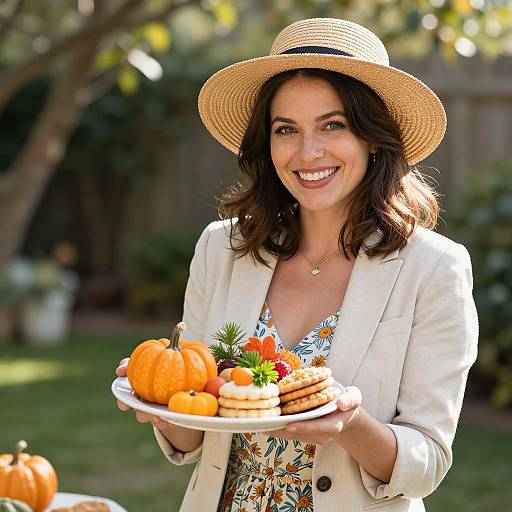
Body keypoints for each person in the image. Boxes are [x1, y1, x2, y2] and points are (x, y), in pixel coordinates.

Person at [116, 18, 478, 512]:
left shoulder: (434, 268)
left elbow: (427, 461)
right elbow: (196, 436)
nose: (308, 152)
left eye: (334, 125)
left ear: (373, 137)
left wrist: (348, 423)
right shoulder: (221, 250)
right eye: (287, 129)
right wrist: (159, 401)